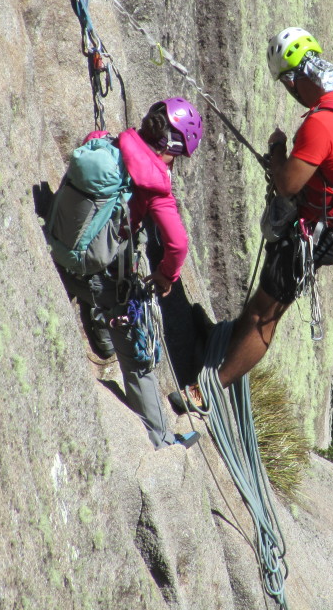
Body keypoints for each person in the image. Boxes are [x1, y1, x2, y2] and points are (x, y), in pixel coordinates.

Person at [212, 27, 333, 393]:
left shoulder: (319, 123)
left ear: (295, 80)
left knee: (266, 314)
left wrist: (278, 149)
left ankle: (212, 388)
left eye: (286, 84)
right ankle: (228, 347)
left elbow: (287, 185)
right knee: (264, 298)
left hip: (313, 233)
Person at [49, 98, 204, 449]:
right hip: (98, 276)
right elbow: (177, 245)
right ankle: (162, 440)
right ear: (172, 147)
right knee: (138, 358)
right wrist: (166, 276)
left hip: (61, 250)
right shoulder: (154, 187)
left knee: (104, 285)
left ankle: (101, 340)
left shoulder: (106, 141)